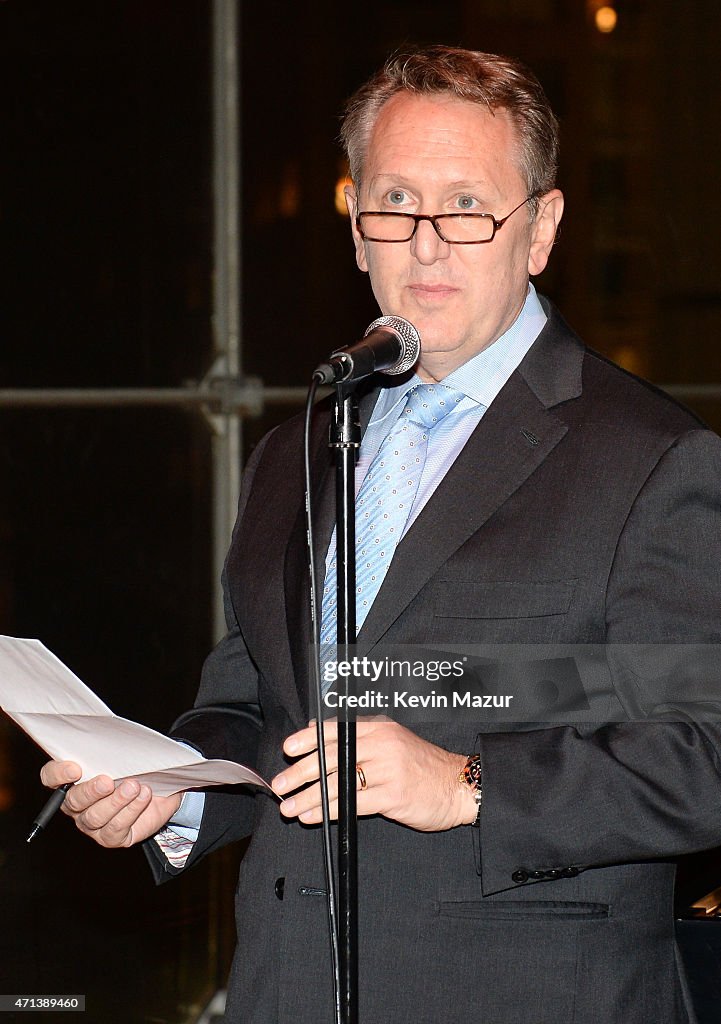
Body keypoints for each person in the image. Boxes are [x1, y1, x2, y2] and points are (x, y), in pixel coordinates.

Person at [41, 46, 721, 1023]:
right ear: (357, 226)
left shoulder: (654, 458)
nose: (427, 244)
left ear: (541, 229)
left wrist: (467, 782)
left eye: (466, 206)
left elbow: (702, 754)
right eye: (395, 201)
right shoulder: (299, 445)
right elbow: (256, 702)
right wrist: (173, 795)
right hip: (285, 989)